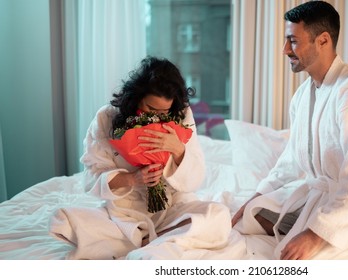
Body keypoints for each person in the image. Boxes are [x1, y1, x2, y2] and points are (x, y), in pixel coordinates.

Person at [231, 1, 348, 260]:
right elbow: (292, 158)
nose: (285, 50)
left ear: (323, 40)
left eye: (293, 41)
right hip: (315, 196)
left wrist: (316, 234)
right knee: (251, 217)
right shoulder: (303, 95)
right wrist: (258, 195)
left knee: (304, 263)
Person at [49, 56, 231, 259]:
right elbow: (91, 177)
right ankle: (157, 243)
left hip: (173, 208)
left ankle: (145, 243)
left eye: (164, 112)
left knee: (219, 216)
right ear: (136, 96)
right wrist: (132, 179)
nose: (158, 116)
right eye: (151, 109)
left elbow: (196, 178)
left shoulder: (182, 114)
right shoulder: (107, 117)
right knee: (63, 220)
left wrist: (178, 149)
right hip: (126, 213)